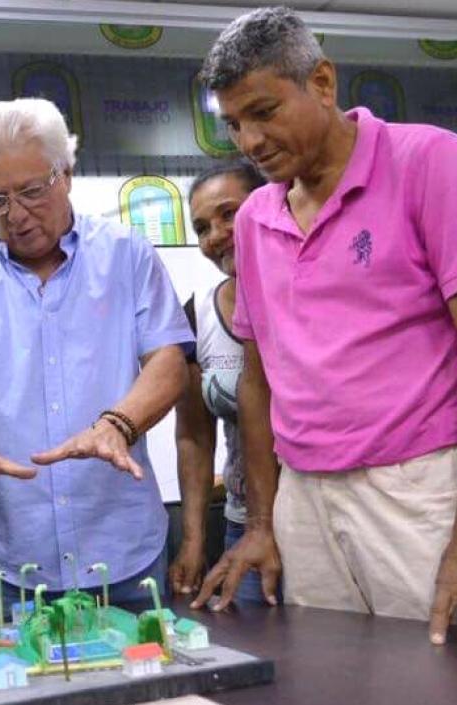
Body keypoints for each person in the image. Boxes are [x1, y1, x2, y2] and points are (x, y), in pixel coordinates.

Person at [192, 7, 457, 649]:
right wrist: (263, 522)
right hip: (306, 501)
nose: (250, 141)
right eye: (235, 124)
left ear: (322, 83)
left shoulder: (427, 160)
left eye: (264, 112)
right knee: (331, 680)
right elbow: (258, 383)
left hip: (421, 493)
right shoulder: (256, 218)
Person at [0, 98, 193, 620]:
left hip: (120, 547)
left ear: (68, 175)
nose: (16, 214)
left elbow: (168, 361)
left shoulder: (127, 254)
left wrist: (118, 425)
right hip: (3, 558)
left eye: (32, 191)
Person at [168, 161, 270, 604]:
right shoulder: (198, 314)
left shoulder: (310, 295)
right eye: (202, 227)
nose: (216, 235)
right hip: (241, 524)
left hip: (316, 520)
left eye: (230, 214)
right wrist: (193, 539)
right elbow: (193, 434)